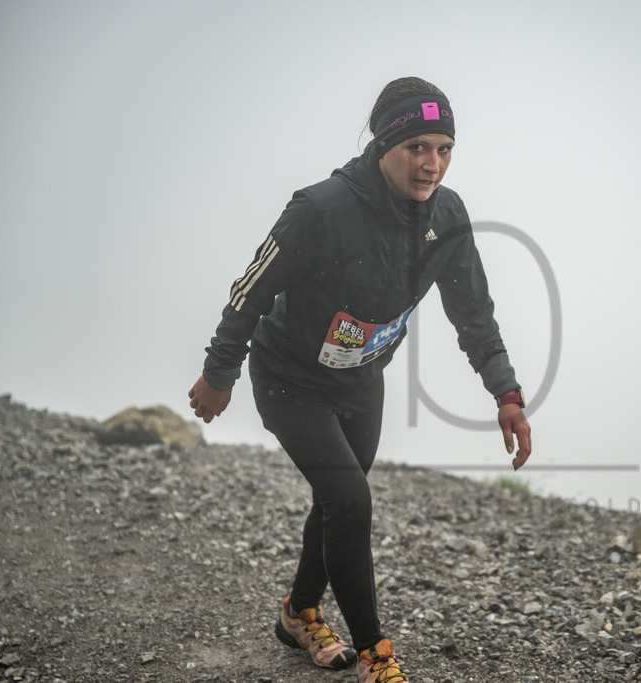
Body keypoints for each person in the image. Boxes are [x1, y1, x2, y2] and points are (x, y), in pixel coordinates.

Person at [188, 76, 532, 683]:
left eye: (445, 149)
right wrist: (220, 372)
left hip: (360, 379)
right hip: (290, 376)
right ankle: (376, 653)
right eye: (418, 147)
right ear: (383, 145)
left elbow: (473, 311)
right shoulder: (321, 209)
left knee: (338, 500)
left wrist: (505, 392)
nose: (433, 165)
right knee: (350, 498)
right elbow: (250, 292)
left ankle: (298, 613)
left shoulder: (447, 216)